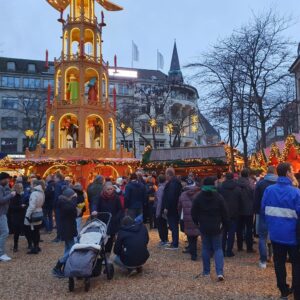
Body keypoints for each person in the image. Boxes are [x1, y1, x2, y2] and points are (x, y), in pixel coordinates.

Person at [261, 162, 300, 300]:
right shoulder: (296, 192)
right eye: (292, 171)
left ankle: (283, 290)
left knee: (279, 263)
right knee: (296, 264)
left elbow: (263, 210)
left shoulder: (269, 190)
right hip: (294, 236)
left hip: (276, 234)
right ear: (288, 173)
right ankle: (297, 292)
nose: (294, 173)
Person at [191, 177, 229, 281]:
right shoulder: (218, 197)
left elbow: (193, 212)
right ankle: (219, 272)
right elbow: (225, 212)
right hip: (216, 225)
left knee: (206, 248)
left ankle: (206, 271)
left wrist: (197, 223)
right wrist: (225, 224)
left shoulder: (199, 197)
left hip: (204, 225)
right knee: (218, 248)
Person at [254, 166, 277, 269]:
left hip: (263, 212)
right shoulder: (279, 183)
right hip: (277, 213)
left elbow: (256, 199)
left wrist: (256, 211)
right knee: (275, 236)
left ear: (267, 172)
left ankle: (263, 261)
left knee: (263, 237)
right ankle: (273, 257)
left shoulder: (260, 183)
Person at [52, 188, 78, 278]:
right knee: (72, 249)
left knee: (68, 248)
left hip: (67, 228)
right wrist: (74, 199)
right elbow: (72, 209)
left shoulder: (63, 202)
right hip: (67, 229)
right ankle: (57, 266)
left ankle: (64, 267)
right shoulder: (63, 203)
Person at [92, 182, 123, 256]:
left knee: (110, 239)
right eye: (108, 189)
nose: (110, 191)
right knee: (101, 238)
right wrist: (94, 210)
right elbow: (95, 204)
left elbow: (120, 209)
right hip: (102, 221)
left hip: (113, 221)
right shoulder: (100, 197)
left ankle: (107, 254)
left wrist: (117, 217)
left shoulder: (116, 197)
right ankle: (101, 253)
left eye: (111, 189)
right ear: (104, 189)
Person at [218, 173, 242, 257]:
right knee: (231, 233)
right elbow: (240, 201)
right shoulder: (238, 189)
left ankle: (222, 249)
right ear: (233, 178)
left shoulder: (220, 187)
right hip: (234, 212)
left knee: (223, 232)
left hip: (223, 212)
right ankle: (229, 251)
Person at [178, 179, 200, 261]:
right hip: (197, 217)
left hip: (187, 217)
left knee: (190, 237)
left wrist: (181, 215)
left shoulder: (183, 195)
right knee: (197, 233)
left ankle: (193, 254)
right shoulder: (199, 193)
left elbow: (179, 207)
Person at [162, 168, 182, 250]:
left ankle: (175, 244)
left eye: (166, 174)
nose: (165, 176)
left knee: (173, 225)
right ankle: (174, 241)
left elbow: (171, 197)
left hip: (172, 208)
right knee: (173, 226)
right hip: (174, 207)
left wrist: (167, 207)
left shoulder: (172, 184)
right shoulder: (175, 182)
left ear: (168, 175)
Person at [24, 179, 45, 254]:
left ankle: (34, 248)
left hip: (33, 214)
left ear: (35, 185)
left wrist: (27, 215)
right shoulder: (42, 192)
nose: (30, 185)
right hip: (39, 212)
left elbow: (32, 206)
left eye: (31, 184)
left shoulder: (34, 193)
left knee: (32, 231)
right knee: (37, 231)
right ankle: (37, 246)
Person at [237, 169, 255, 252]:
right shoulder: (251, 184)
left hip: (238, 209)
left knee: (239, 228)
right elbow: (253, 195)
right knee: (249, 229)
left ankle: (240, 247)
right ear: (248, 174)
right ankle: (249, 247)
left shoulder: (236, 183)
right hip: (249, 209)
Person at [0, 172, 16, 261]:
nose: (8, 180)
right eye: (7, 179)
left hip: (2, 213)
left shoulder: (3, 187)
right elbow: (1, 200)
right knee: (5, 232)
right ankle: (1, 253)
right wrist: (11, 195)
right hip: (1, 213)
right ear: (3, 179)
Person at [9, 182, 26, 252]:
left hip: (21, 215)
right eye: (21, 188)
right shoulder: (14, 197)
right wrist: (20, 207)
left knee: (24, 230)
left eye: (22, 187)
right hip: (16, 216)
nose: (22, 189)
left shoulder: (21, 195)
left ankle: (30, 244)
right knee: (16, 232)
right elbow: (11, 207)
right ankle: (15, 246)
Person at [52, 173, 68, 243]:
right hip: (65, 205)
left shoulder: (58, 185)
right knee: (63, 221)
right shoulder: (65, 184)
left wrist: (54, 205)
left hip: (58, 206)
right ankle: (63, 236)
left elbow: (56, 196)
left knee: (58, 222)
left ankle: (59, 237)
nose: (54, 179)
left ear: (58, 178)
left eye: (55, 178)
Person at [154, 174, 168, 247]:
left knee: (160, 225)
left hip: (160, 209)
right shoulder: (166, 187)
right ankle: (166, 239)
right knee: (164, 225)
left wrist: (157, 212)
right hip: (165, 208)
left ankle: (163, 240)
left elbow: (159, 201)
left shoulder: (160, 188)